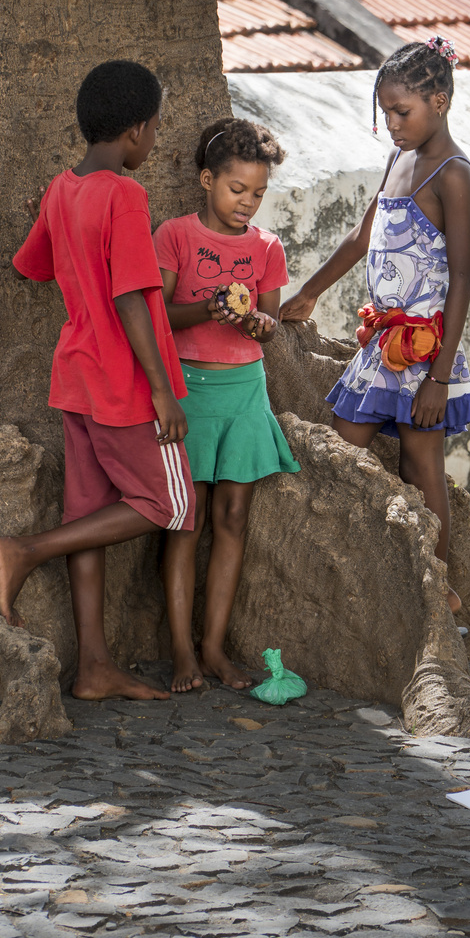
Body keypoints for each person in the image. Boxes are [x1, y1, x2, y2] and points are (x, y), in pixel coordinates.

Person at [0, 59, 194, 702]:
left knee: (89, 513)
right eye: (156, 129)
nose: (155, 141)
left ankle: (94, 668)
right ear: (136, 130)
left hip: (74, 377)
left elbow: (32, 267)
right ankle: (23, 551)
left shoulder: (62, 188)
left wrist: (44, 215)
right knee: (173, 505)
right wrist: (162, 389)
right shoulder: (124, 194)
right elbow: (134, 294)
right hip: (122, 384)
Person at [280, 37, 470, 613]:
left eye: (402, 112)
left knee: (424, 468)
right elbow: (361, 237)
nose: (391, 124)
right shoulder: (398, 159)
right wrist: (308, 293)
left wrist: (438, 378)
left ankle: (436, 591)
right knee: (342, 450)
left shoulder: (452, 173)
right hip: (379, 347)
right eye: (384, 112)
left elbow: (462, 278)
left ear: (438, 101)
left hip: (424, 353)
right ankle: (349, 587)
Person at [153, 117, 300, 693]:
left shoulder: (266, 247)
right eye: (238, 189)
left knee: (232, 518)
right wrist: (208, 309)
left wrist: (259, 321)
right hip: (189, 390)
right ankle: (182, 652)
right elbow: (158, 315)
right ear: (206, 179)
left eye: (259, 194)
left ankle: (214, 647)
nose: (248, 203)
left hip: (244, 393)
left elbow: (268, 324)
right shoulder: (175, 236)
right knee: (184, 521)